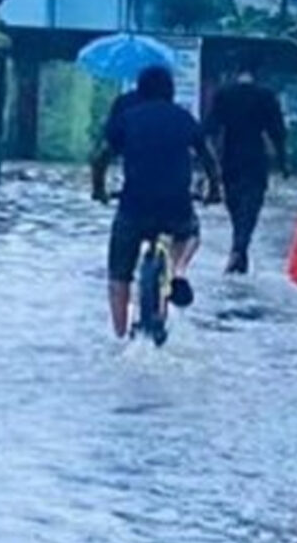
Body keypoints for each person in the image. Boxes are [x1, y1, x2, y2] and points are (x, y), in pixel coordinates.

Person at [90, 66, 219, 340]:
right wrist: (213, 191)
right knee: (192, 232)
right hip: (176, 206)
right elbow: (209, 158)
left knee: (118, 274)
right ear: (170, 91)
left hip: (134, 206)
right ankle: (178, 270)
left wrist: (99, 189)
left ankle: (120, 336)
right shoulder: (184, 118)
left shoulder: (127, 118)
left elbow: (100, 158)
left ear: (140, 90)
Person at [204, 67, 288, 274]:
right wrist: (284, 162)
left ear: (236, 73)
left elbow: (210, 127)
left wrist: (207, 162)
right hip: (255, 158)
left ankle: (239, 249)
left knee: (234, 205)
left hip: (231, 157)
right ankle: (239, 249)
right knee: (251, 207)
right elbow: (277, 132)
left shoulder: (224, 94)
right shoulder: (266, 96)